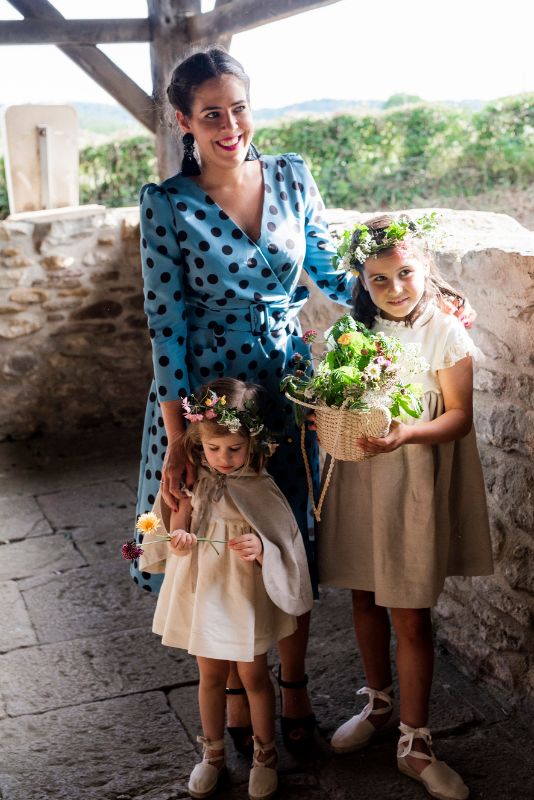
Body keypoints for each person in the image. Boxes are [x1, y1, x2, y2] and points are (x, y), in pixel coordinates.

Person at [132, 45, 355, 754]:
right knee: (220, 549)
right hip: (209, 398)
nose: (231, 124)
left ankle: (293, 693)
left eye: (239, 107)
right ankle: (231, 696)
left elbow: (332, 270)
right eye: (211, 114)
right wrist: (178, 442)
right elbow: (165, 327)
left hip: (283, 384)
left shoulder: (292, 176)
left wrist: (412, 304)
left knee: (288, 537)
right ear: (183, 122)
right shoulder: (165, 204)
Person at [317, 215, 493, 800]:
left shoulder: (445, 331)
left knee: (410, 610)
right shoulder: (353, 332)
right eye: (378, 280)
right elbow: (342, 393)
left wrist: (407, 435)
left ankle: (416, 742)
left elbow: (459, 415)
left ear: (425, 271)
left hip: (412, 477)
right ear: (361, 282)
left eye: (406, 274)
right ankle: (378, 704)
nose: (395, 289)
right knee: (362, 594)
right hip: (360, 474)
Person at [137, 377, 313, 800]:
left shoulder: (262, 487)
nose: (225, 458)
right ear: (200, 444)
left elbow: (283, 542)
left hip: (242, 596)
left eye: (234, 449)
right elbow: (177, 532)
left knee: (253, 673)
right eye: (214, 449)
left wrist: (261, 546)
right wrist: (178, 538)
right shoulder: (195, 480)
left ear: (252, 443)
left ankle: (264, 753)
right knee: (210, 674)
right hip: (205, 591)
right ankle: (212, 753)